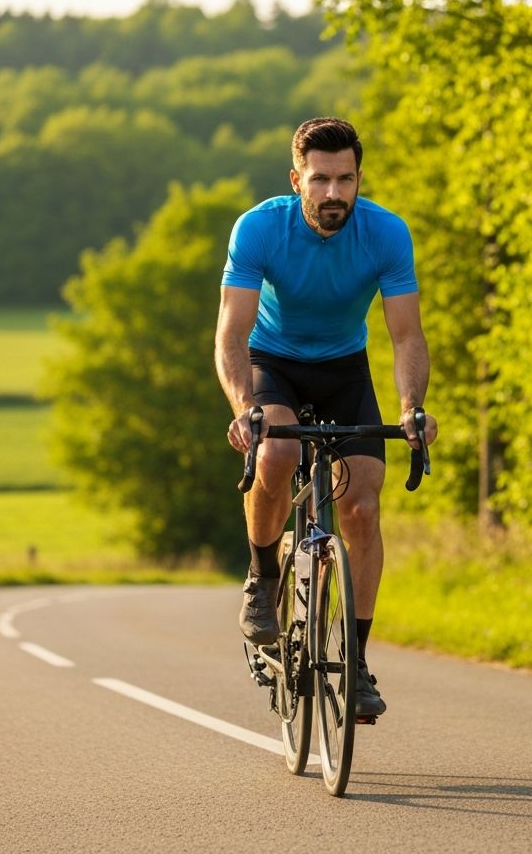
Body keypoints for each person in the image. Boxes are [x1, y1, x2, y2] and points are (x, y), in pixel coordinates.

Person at [214, 117, 437, 718]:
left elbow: (406, 336)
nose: (334, 193)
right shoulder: (260, 228)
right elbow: (231, 335)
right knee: (277, 453)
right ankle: (263, 577)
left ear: (359, 178)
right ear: (297, 181)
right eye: (320, 180)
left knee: (362, 506)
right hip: (273, 363)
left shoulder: (386, 234)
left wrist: (412, 408)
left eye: (345, 180)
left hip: (344, 370)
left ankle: (357, 662)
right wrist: (245, 411)